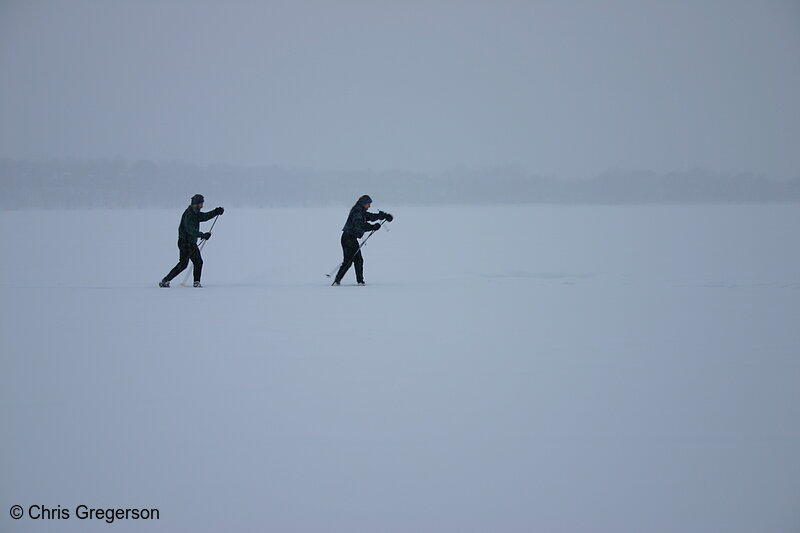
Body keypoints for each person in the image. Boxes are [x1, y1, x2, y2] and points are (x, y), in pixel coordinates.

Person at [159, 194, 224, 288]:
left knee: (196, 262)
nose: (202, 206)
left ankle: (195, 282)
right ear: (196, 204)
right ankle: (166, 280)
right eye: (201, 204)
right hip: (185, 242)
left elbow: (204, 217)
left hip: (191, 242)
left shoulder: (195, 213)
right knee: (185, 264)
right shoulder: (189, 214)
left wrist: (216, 212)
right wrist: (202, 235)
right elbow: (190, 230)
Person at [333, 195, 393, 286]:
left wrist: (383, 216)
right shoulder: (357, 211)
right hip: (348, 238)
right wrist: (373, 227)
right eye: (369, 204)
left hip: (349, 238)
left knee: (352, 261)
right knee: (355, 260)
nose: (370, 206)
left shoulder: (361, 211)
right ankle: (357, 281)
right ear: (364, 203)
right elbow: (360, 225)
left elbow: (370, 216)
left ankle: (341, 280)